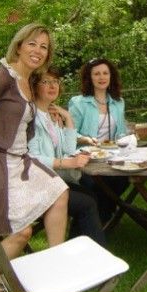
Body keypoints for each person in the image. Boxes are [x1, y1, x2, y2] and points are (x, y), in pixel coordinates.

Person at [0, 23, 69, 272]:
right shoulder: (2, 77)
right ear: (18, 47)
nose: (38, 51)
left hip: (20, 160)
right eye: (32, 44)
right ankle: (0, 287)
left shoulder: (28, 81)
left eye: (43, 47)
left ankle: (57, 264)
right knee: (22, 232)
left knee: (59, 192)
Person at [27, 66, 104, 247]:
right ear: (34, 86)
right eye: (46, 82)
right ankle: (92, 254)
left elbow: (68, 148)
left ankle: (76, 248)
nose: (52, 86)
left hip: (53, 180)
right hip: (35, 184)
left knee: (92, 195)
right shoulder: (31, 117)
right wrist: (67, 163)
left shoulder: (51, 115)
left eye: (55, 81)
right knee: (87, 203)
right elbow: (32, 158)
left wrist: (67, 117)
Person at [69, 57, 131, 224]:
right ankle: (101, 219)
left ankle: (101, 216)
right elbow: (68, 134)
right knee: (93, 183)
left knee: (123, 179)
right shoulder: (78, 103)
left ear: (111, 76)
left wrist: (129, 136)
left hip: (112, 156)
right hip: (86, 157)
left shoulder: (118, 102)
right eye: (96, 74)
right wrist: (85, 139)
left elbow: (122, 132)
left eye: (105, 73)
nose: (102, 77)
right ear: (89, 78)